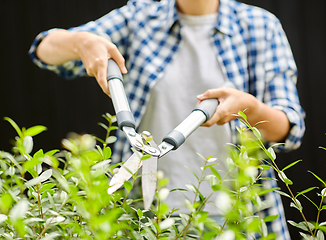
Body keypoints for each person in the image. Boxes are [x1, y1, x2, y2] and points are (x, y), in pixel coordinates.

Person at [29, 0, 305, 239]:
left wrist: (251, 109)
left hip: (238, 215)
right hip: (145, 215)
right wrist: (81, 42)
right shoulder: (140, 17)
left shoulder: (260, 26)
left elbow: (289, 130)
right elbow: (44, 51)